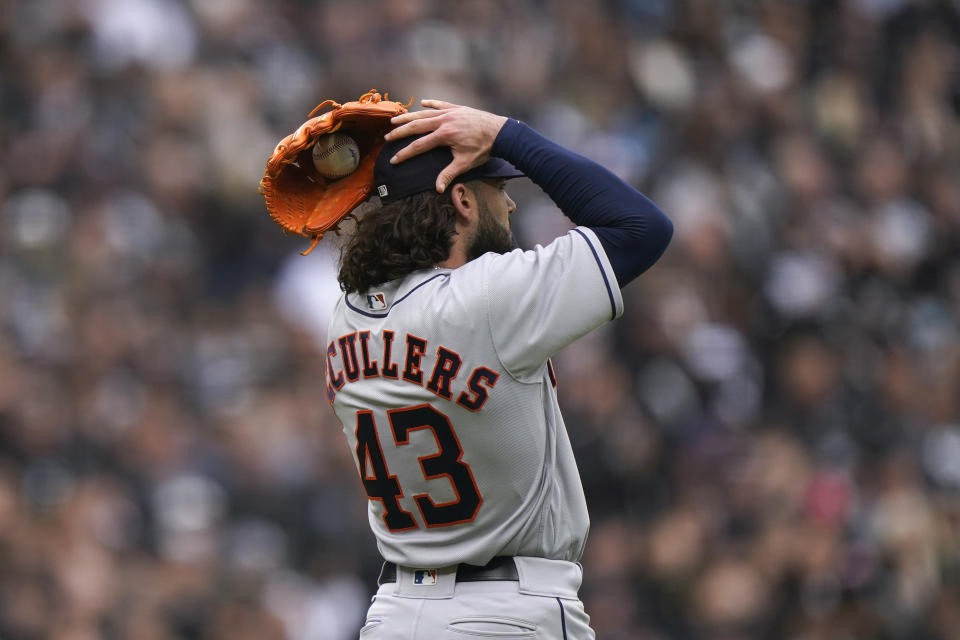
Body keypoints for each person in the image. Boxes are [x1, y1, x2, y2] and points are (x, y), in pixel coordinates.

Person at [324, 99, 673, 639]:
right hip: (506, 614)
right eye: (498, 188)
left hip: (395, 615)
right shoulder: (489, 299)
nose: (509, 205)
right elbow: (641, 227)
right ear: (462, 199)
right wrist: (508, 135)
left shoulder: (344, 319)